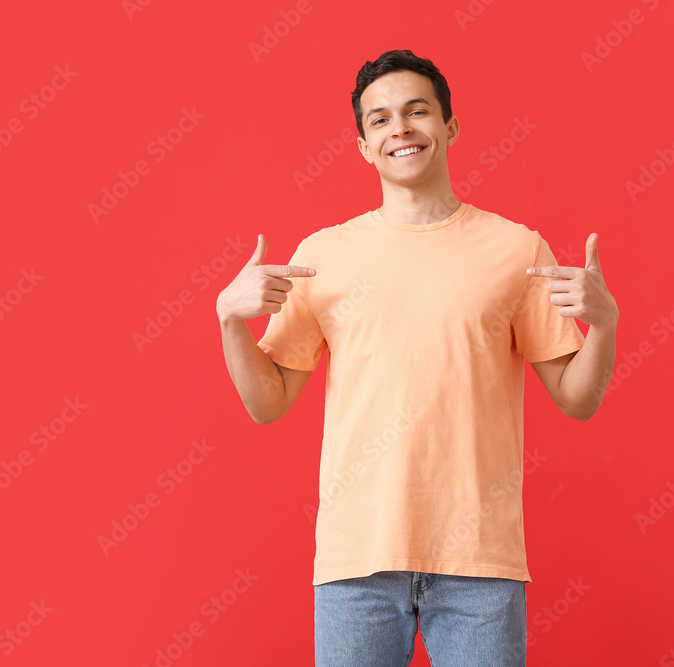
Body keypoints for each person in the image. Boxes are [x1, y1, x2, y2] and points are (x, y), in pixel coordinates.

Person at [216, 49, 618, 666]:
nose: (399, 128)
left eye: (417, 111)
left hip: (479, 563)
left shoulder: (515, 249)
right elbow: (267, 403)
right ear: (363, 145)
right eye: (379, 119)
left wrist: (605, 324)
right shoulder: (323, 256)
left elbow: (578, 399)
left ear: (450, 127)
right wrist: (229, 320)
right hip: (357, 561)